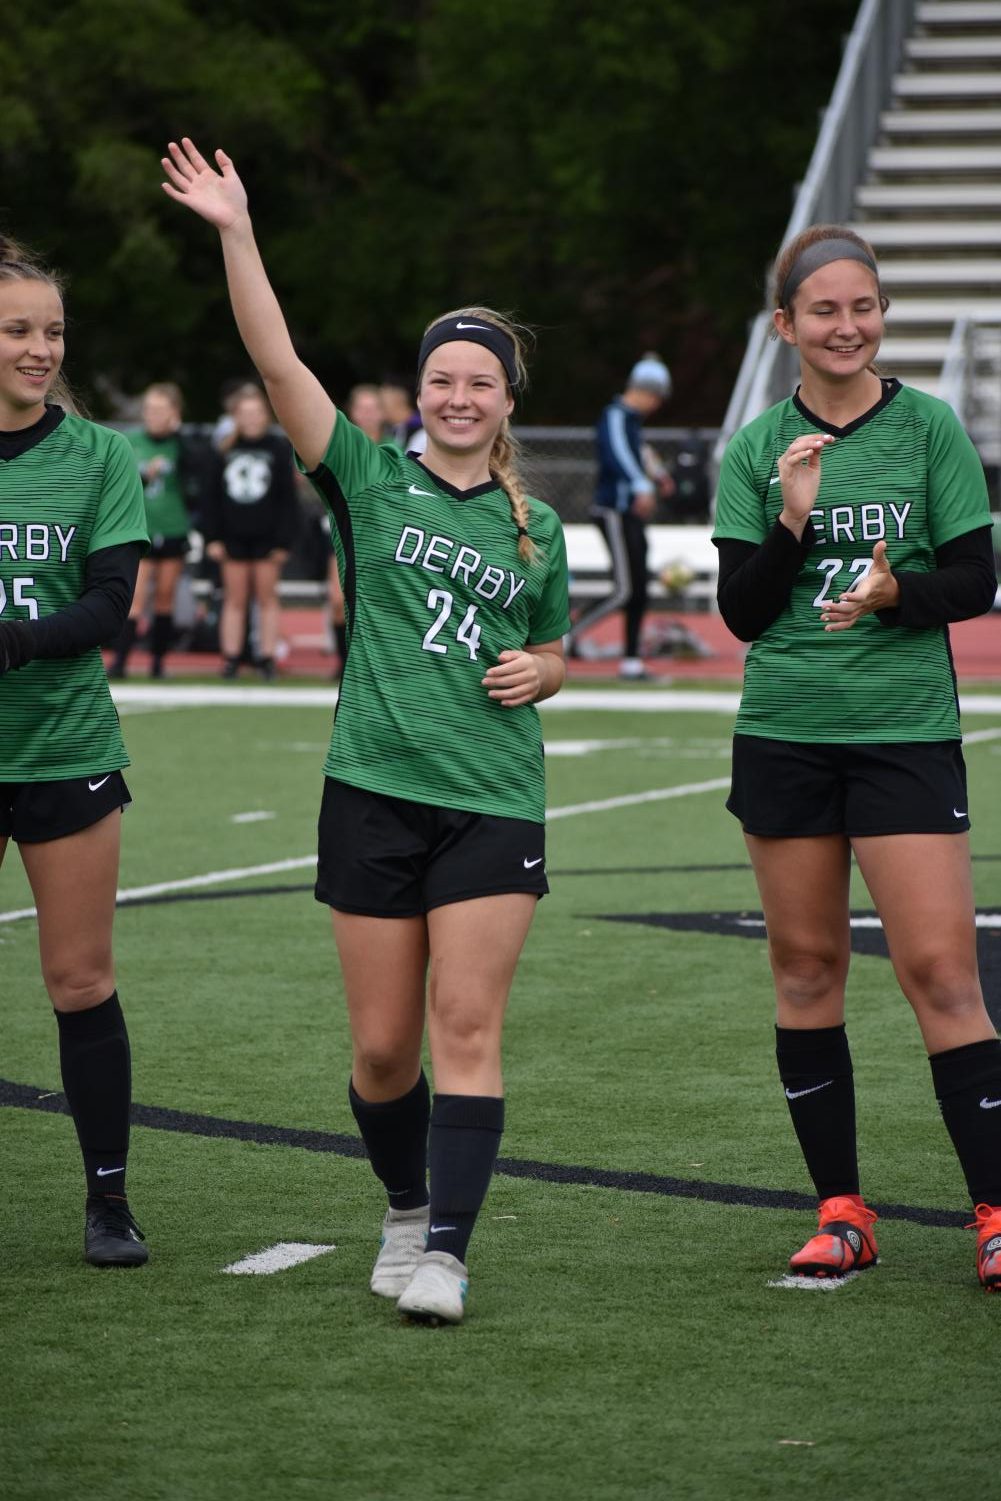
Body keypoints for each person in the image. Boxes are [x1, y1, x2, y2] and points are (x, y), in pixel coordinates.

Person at [162, 137, 570, 1324]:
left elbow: (553, 651)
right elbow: (275, 359)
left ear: (503, 402)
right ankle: (401, 1202)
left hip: (494, 796)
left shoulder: (532, 526)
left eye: (478, 383)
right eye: (441, 378)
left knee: (465, 1026)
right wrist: (238, 229)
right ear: (420, 389)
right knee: (385, 1052)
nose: (456, 395)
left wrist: (543, 667)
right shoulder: (363, 477)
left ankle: (446, 1248)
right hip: (373, 788)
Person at [713, 223, 1001, 1291]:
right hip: (784, 732)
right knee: (804, 969)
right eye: (823, 310)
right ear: (783, 326)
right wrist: (790, 522)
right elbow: (740, 615)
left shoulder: (927, 430)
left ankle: (993, 1210)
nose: (846, 326)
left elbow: (972, 581)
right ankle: (840, 1211)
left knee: (939, 971)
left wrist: (893, 595)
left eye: (862, 307)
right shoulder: (754, 450)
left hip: (902, 735)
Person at [0, 235, 150, 1266]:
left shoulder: (99, 456)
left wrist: (12, 641)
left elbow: (108, 605)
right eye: (18, 330)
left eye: (51, 331)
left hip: (64, 750)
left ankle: (108, 1199)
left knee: (81, 981)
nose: (39, 348)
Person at [567, 353, 672, 679]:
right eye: (656, 397)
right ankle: (563, 635)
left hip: (629, 513)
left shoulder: (632, 423)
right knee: (625, 588)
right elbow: (619, 455)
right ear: (646, 391)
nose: (656, 405)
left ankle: (631, 662)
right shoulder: (615, 415)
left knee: (638, 587)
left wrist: (657, 475)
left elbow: (639, 452)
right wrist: (642, 485)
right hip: (614, 510)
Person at [202, 383, 298, 679]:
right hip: (233, 535)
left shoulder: (279, 448)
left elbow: (287, 498)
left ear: (266, 415)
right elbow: (211, 498)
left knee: (267, 598)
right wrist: (213, 537)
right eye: (245, 414)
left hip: (267, 536)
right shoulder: (224, 450)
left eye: (257, 413)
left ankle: (267, 657)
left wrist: (283, 541)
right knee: (234, 598)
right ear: (235, 417)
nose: (252, 419)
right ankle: (231, 657)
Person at [111, 381, 194, 678]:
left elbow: (198, 474)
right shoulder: (130, 441)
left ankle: (158, 663)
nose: (154, 415)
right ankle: (120, 661)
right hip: (139, 529)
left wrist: (179, 433)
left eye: (161, 409)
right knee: (134, 596)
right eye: (150, 409)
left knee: (165, 596)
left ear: (174, 412)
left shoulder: (182, 443)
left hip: (173, 527)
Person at [380, 375, 427, 455]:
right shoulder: (386, 431)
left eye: (382, 403)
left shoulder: (423, 429)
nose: (379, 408)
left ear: (399, 398)